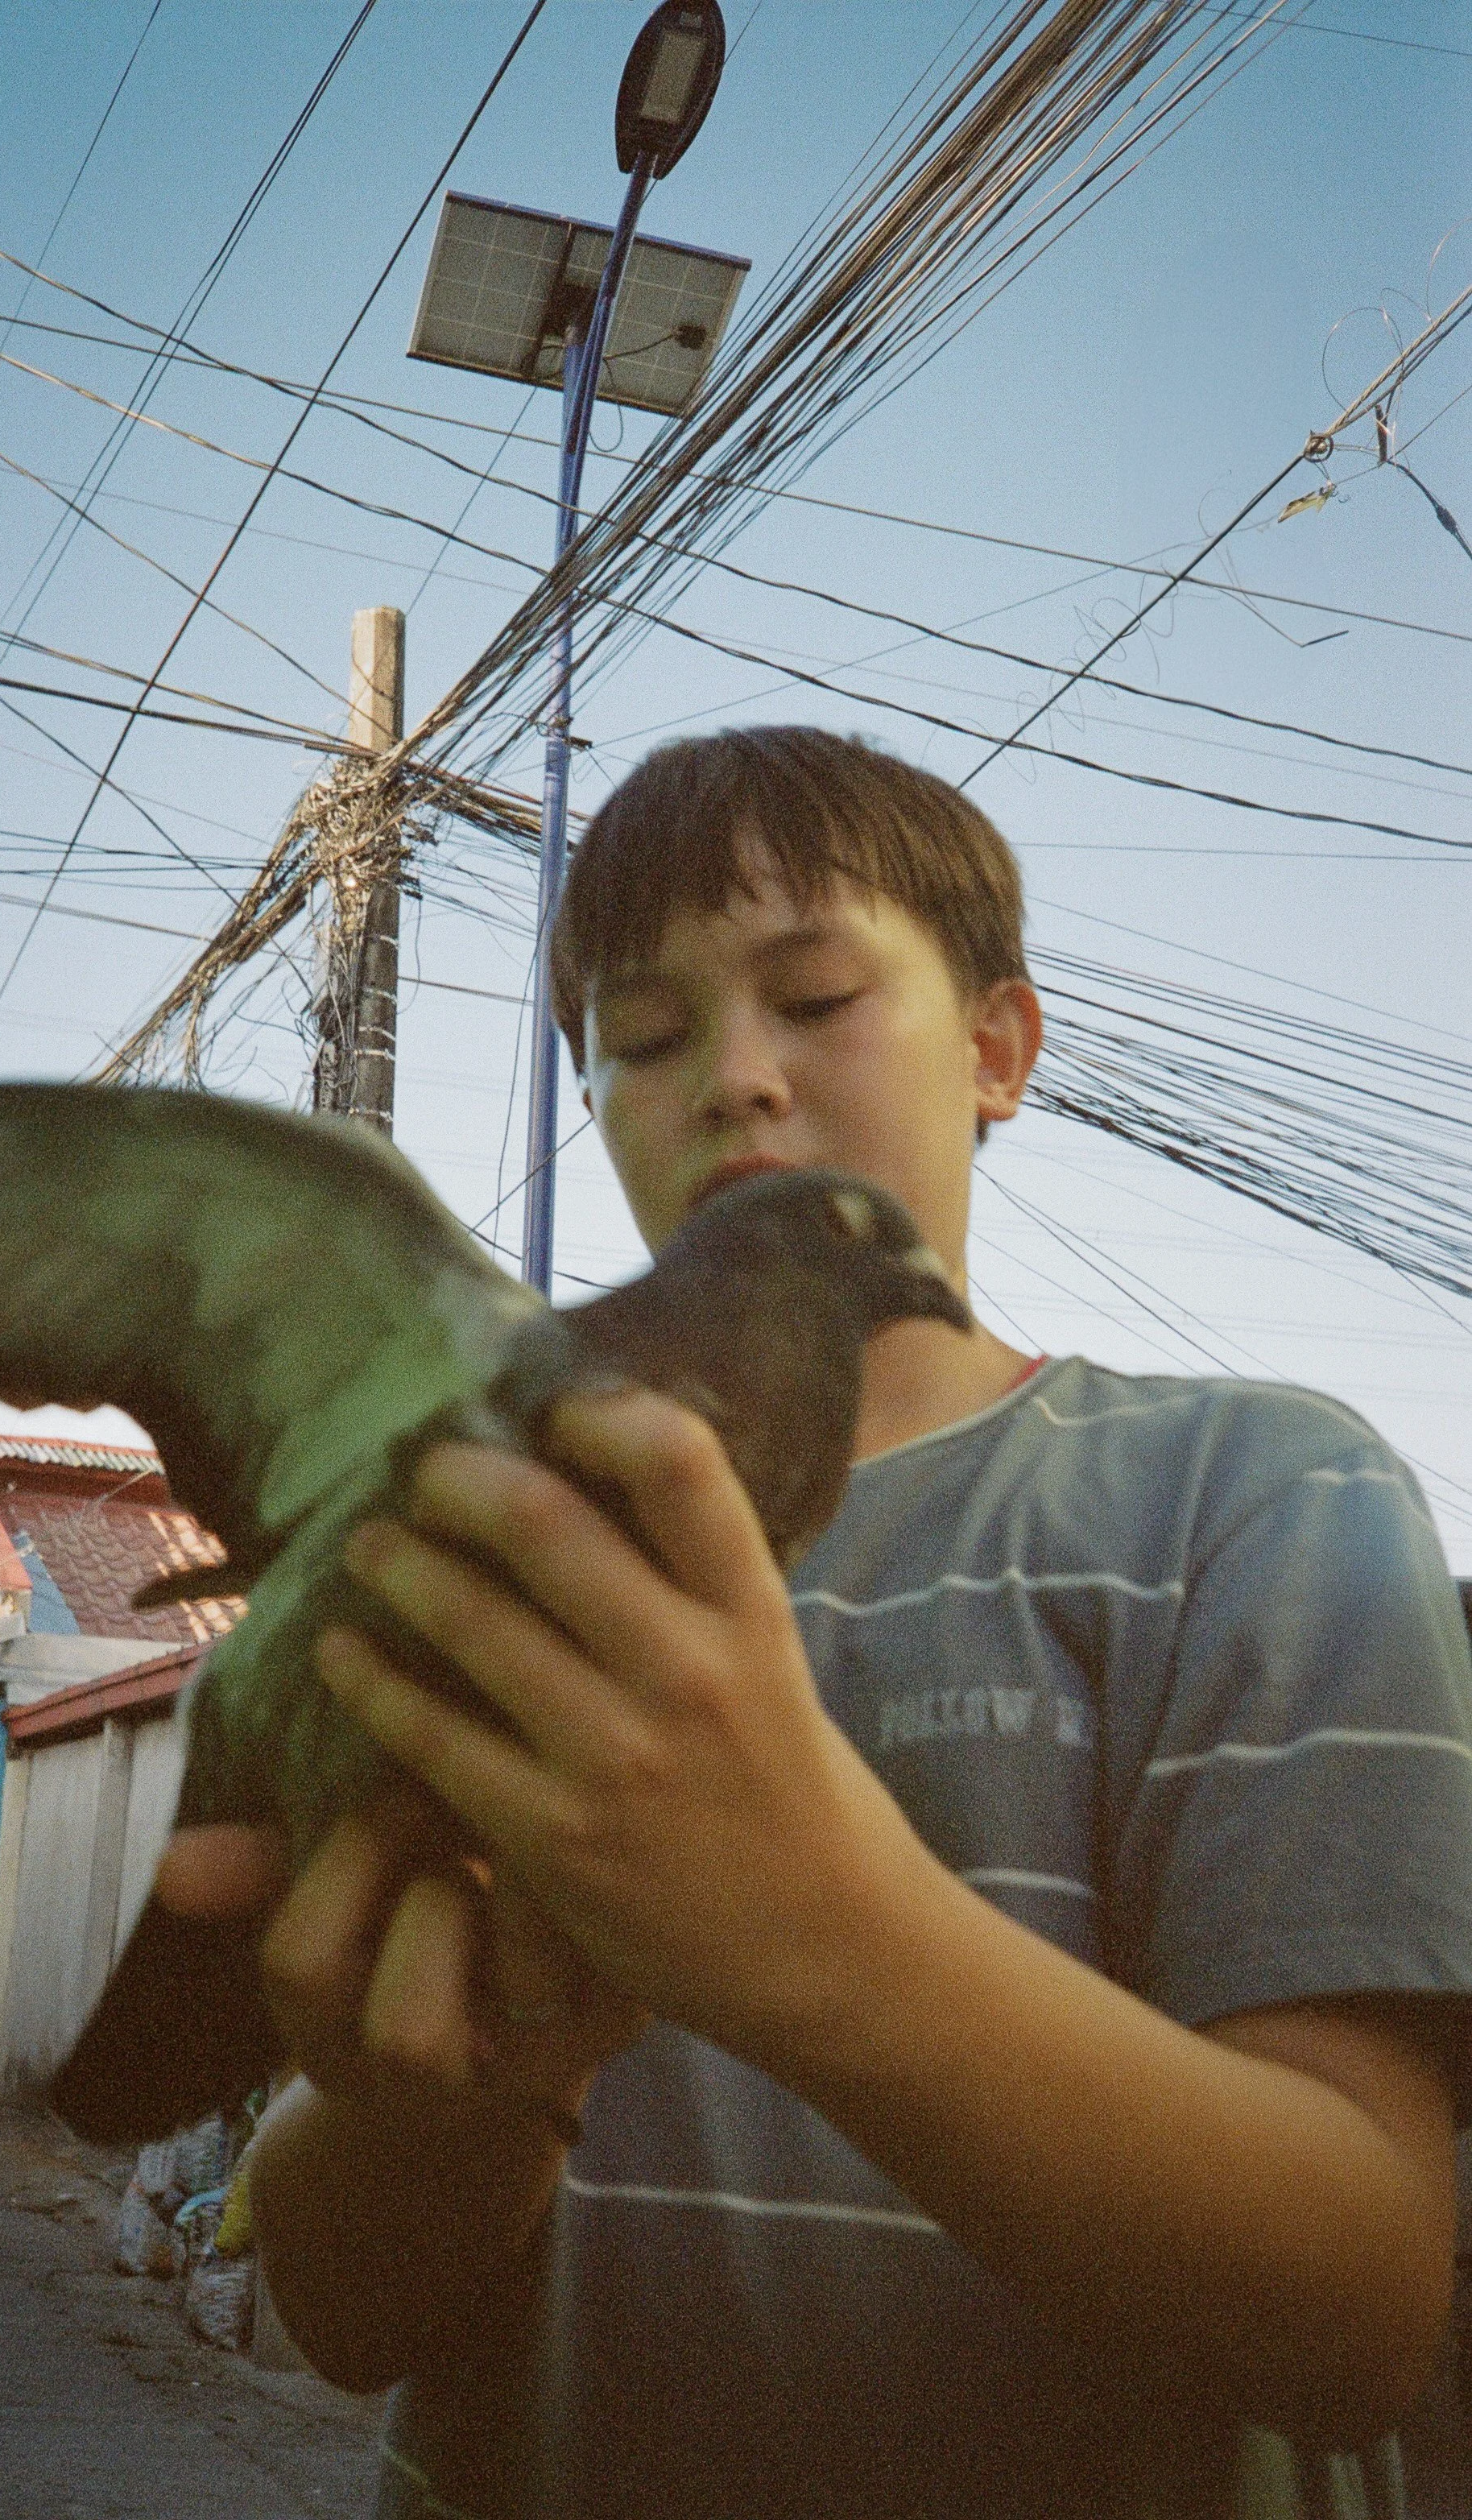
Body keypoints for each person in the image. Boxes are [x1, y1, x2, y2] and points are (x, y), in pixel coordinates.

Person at [159, 729, 1472, 2518]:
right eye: (640, 1038)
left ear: (999, 1048)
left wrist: (810, 1929)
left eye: (817, 996)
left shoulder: (1257, 1500)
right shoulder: (500, 1535)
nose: (734, 1080)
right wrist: (458, 2089)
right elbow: (343, 2307)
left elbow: (1358, 2313)